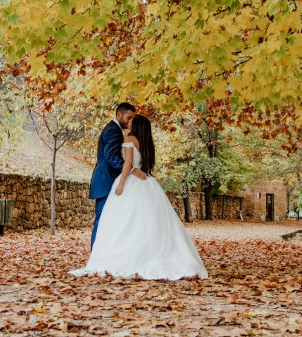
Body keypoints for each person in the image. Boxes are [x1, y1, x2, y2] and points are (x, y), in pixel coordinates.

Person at [72, 114, 208, 280]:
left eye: (131, 121)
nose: (129, 122)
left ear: (136, 126)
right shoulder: (146, 143)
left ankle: (122, 257)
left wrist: (121, 183)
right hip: (146, 183)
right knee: (144, 221)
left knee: (122, 222)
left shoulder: (130, 139)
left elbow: (128, 163)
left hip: (130, 181)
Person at [88, 103, 146, 249]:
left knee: (110, 219)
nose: (130, 121)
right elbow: (110, 157)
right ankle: (95, 255)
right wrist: (132, 170)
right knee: (102, 219)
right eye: (129, 117)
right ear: (119, 114)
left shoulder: (116, 131)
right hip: (106, 179)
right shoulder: (113, 131)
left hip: (110, 179)